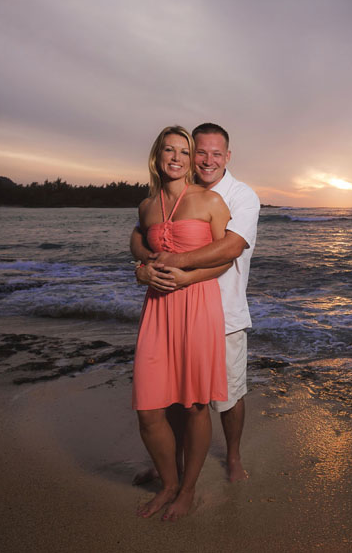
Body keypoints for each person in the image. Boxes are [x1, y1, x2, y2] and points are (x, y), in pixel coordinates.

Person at [131, 122, 260, 486]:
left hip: (224, 310)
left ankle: (232, 457)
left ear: (227, 157)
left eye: (215, 154)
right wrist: (142, 264)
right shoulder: (170, 195)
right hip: (172, 310)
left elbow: (232, 246)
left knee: (228, 395)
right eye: (199, 152)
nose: (206, 160)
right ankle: (171, 465)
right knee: (176, 397)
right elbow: (140, 232)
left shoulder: (240, 195)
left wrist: (177, 264)